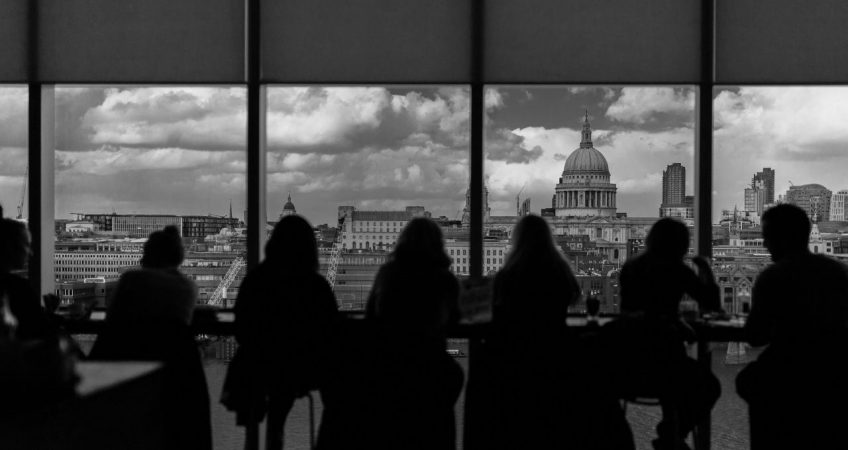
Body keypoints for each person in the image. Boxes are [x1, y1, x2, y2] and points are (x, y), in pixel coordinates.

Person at [483, 214, 632, 449]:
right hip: (557, 351)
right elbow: (574, 296)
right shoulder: (559, 270)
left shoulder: (507, 274)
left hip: (518, 356)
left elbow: (497, 311)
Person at [318, 217, 462, 450]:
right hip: (428, 366)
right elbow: (455, 320)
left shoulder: (387, 273)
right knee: (451, 380)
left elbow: (371, 315)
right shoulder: (445, 278)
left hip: (386, 364)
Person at [736, 204, 848, 448]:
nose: (764, 245)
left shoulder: (773, 276)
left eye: (766, 238)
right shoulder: (838, 271)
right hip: (835, 375)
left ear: (779, 238)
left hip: (786, 375)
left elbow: (756, 337)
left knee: (748, 381)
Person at [90, 225, 210, 450]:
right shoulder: (189, 287)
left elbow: (113, 321)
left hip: (132, 366)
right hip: (180, 369)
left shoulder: (131, 280)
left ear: (149, 254)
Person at [230, 215, 338, 450]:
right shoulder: (315, 285)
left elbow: (241, 328)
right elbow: (329, 331)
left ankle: (260, 436)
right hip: (299, 369)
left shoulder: (255, 279)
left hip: (256, 367)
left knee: (260, 412)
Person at [614, 217, 721, 450]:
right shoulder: (677, 269)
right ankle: (671, 434)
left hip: (628, 365)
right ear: (680, 245)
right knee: (709, 387)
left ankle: (668, 433)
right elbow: (712, 303)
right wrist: (705, 269)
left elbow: (638, 312)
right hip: (667, 362)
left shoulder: (631, 266)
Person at [0, 205, 54, 340]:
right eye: (27, 245)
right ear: (11, 247)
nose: (30, 252)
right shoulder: (18, 288)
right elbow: (40, 332)